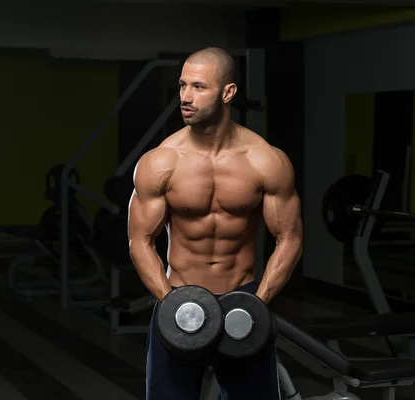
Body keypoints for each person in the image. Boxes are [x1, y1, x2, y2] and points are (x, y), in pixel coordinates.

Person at [128, 47, 303, 400]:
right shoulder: (161, 161)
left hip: (244, 300)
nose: (185, 97)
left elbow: (290, 237)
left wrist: (260, 301)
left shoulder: (265, 161)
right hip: (179, 300)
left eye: (198, 87)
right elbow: (139, 241)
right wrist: (170, 303)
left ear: (228, 93)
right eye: (182, 86)